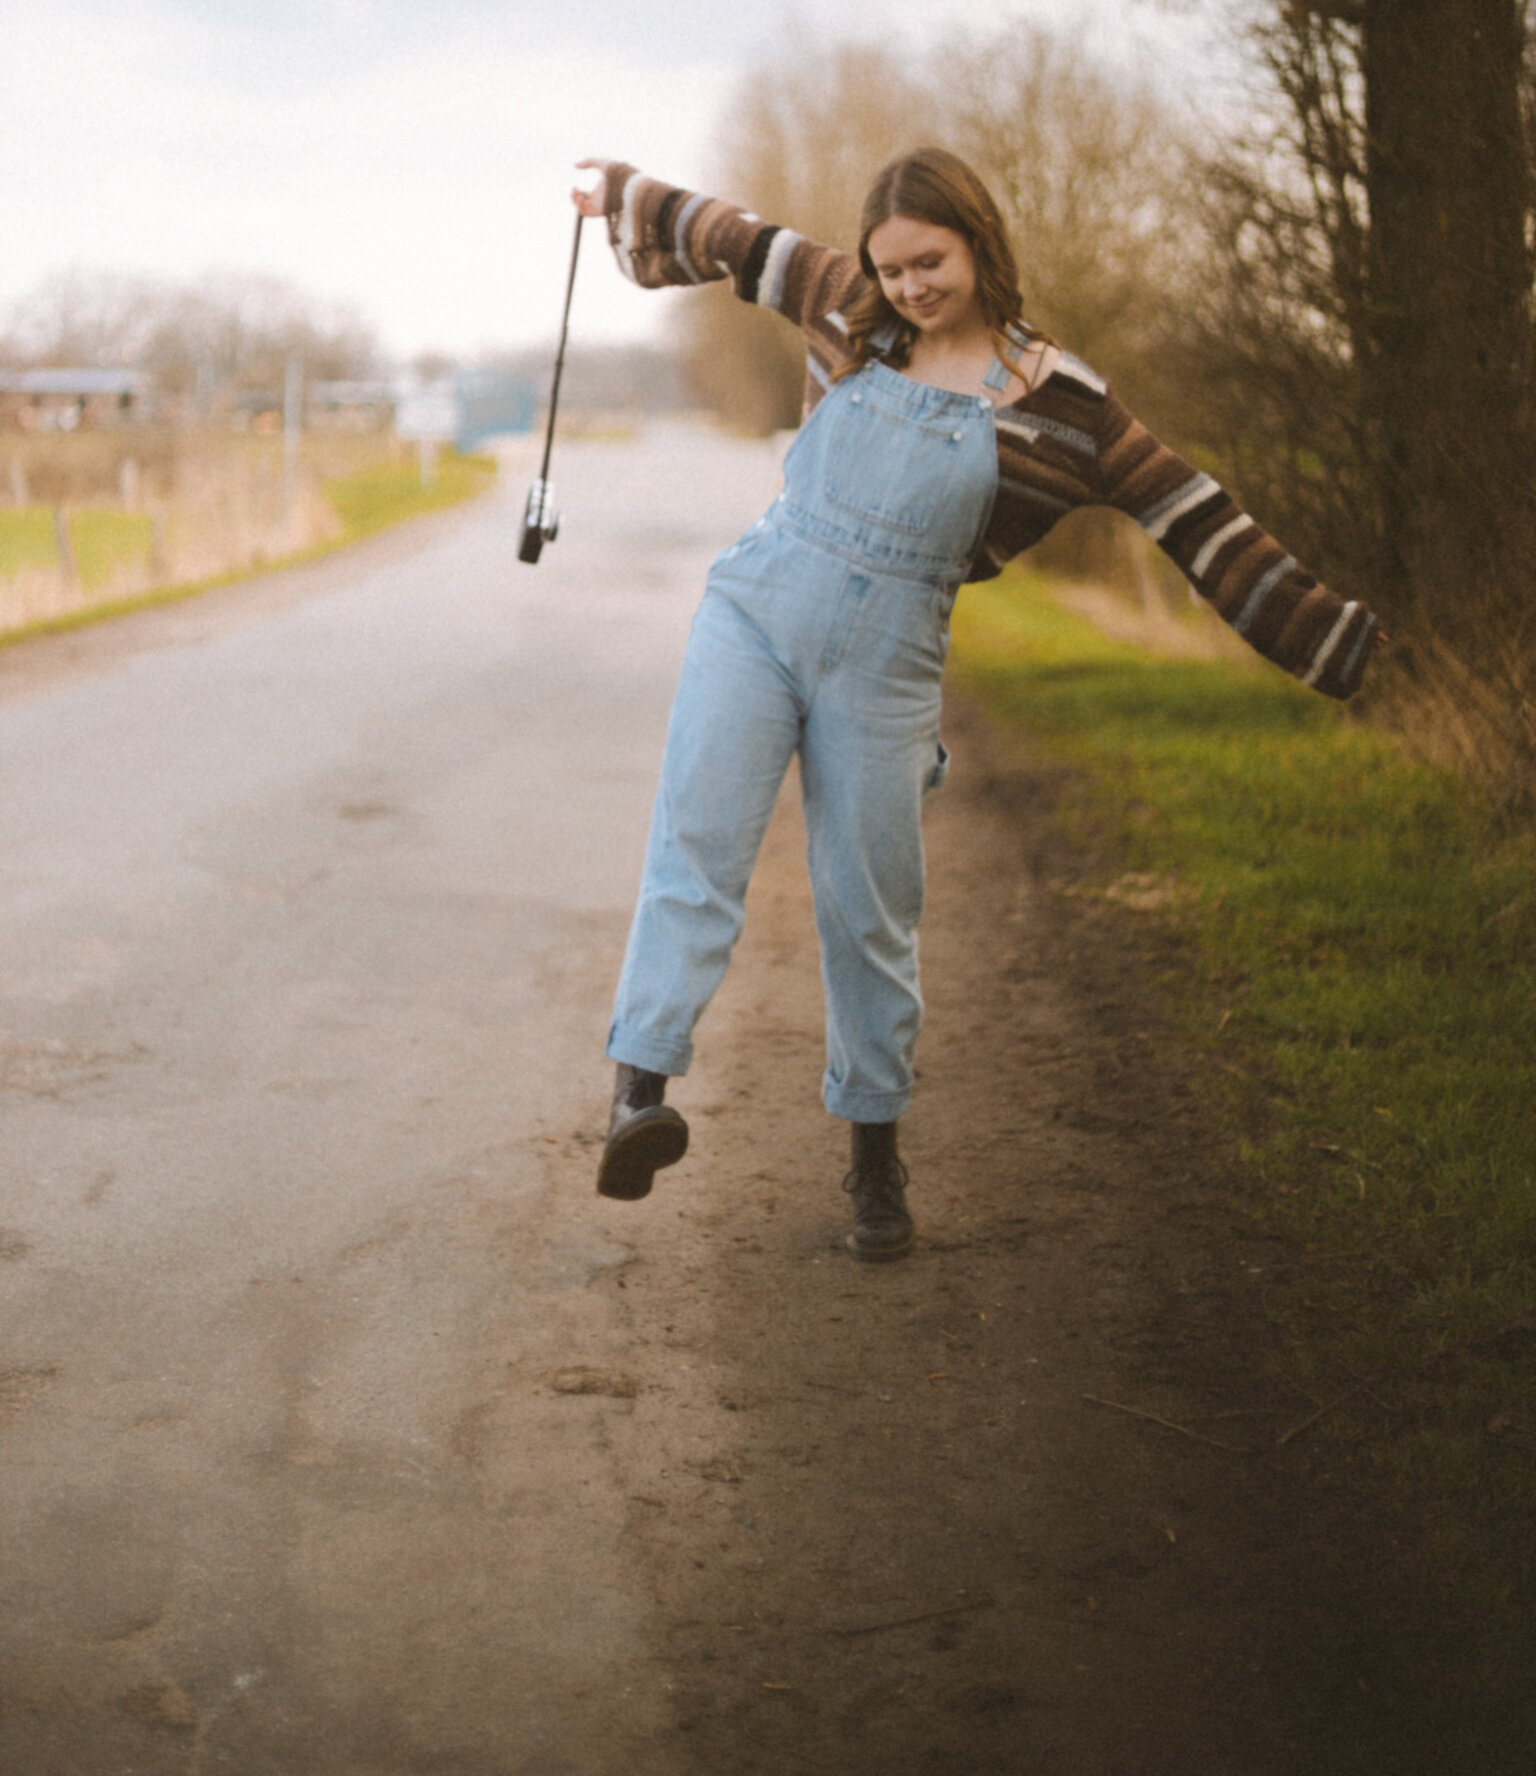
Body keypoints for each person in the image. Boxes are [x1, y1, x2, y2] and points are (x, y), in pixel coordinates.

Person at [573, 150, 1380, 1261]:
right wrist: (621, 196)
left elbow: (1198, 519)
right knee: (696, 849)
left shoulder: (1070, 406)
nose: (906, 286)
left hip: (892, 663)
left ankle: (871, 1160)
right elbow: (731, 236)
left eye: (929, 263)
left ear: (980, 246)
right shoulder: (845, 309)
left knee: (870, 910)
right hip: (755, 615)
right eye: (891, 266)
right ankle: (637, 1099)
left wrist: (1329, 641)